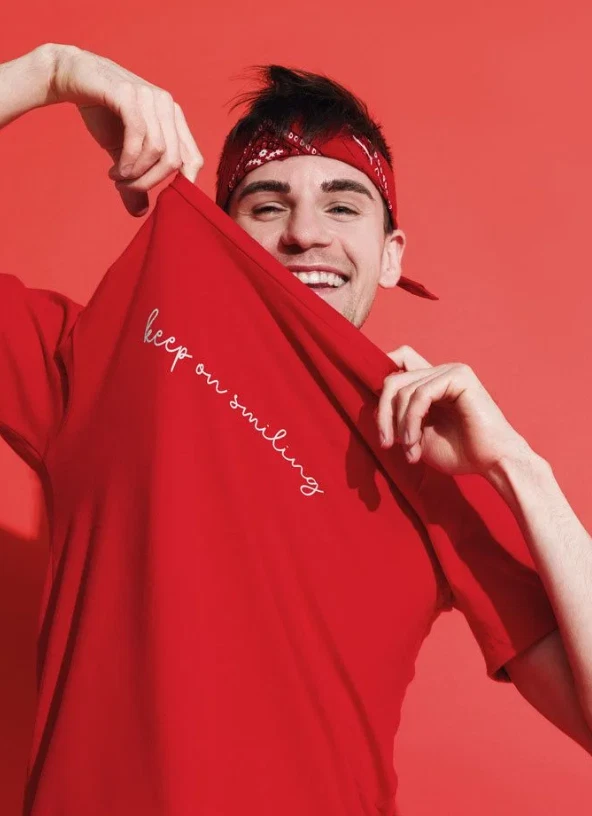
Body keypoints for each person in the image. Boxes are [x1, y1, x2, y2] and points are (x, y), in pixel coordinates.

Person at [1, 42, 591, 816]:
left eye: (343, 206)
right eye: (267, 206)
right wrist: (51, 73)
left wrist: (520, 467)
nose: (305, 233)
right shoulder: (96, 361)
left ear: (390, 256)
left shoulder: (433, 456)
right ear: (219, 242)